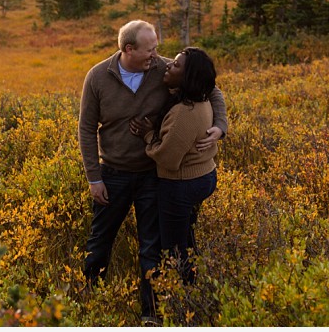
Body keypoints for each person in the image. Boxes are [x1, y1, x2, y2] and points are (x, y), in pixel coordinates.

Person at [78, 20, 226, 324]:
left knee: (151, 247)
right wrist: (94, 178)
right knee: (100, 241)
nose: (157, 55)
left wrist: (220, 127)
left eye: (157, 48)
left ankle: (151, 314)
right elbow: (86, 129)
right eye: (151, 49)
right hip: (113, 174)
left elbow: (210, 87)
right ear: (128, 49)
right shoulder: (97, 77)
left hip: (152, 176)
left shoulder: (162, 67)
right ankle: (91, 298)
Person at [130, 47, 219, 284]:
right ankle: (195, 285)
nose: (169, 65)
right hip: (203, 175)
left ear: (188, 77)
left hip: (181, 184)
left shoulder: (184, 112)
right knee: (187, 240)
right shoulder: (200, 101)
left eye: (177, 65)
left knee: (174, 250)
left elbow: (167, 159)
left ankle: (183, 300)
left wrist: (148, 135)